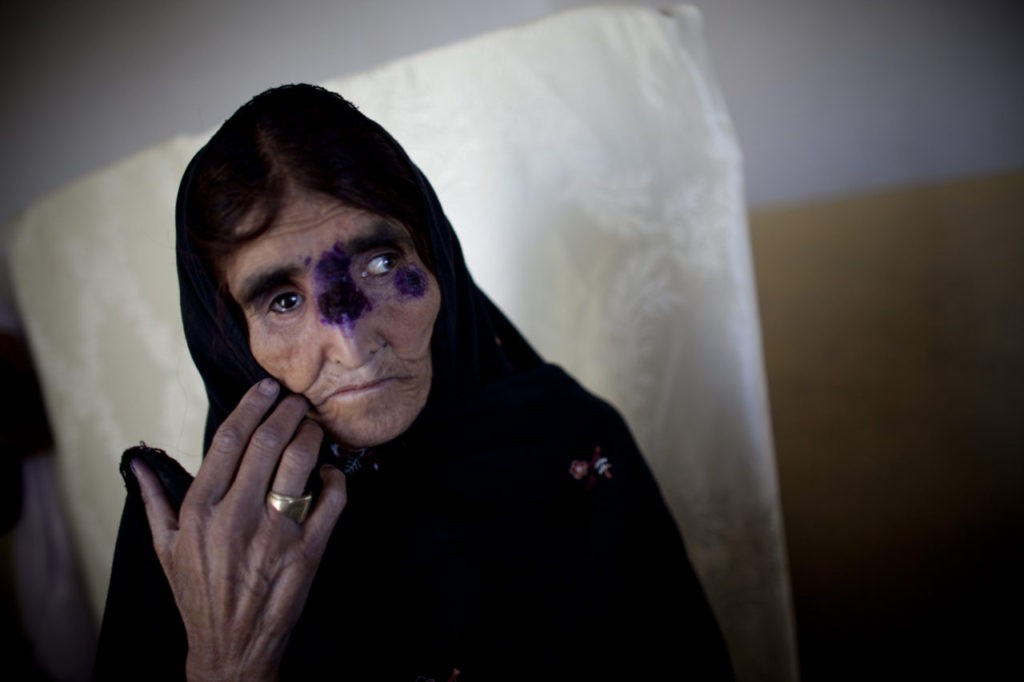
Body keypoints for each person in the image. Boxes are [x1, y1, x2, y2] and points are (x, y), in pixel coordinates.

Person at [93, 84, 732, 681]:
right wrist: (225, 663)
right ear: (229, 336)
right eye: (281, 301)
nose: (351, 343)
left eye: (379, 263)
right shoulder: (193, 553)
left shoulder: (575, 449)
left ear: (437, 261)